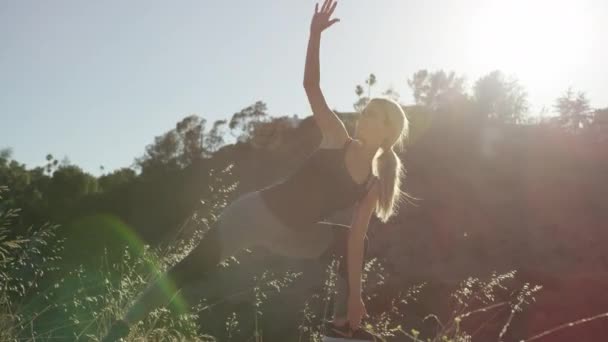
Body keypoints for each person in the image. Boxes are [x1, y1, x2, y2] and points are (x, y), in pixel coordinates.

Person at [102, 0, 407, 341]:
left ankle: (340, 329)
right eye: (365, 111)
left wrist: (355, 297)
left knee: (352, 242)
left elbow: (353, 243)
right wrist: (314, 36)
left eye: (374, 116)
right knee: (190, 269)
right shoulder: (337, 137)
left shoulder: (371, 186)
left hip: (294, 236)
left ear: (387, 131)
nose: (364, 117)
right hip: (253, 215)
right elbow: (311, 86)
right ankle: (120, 328)